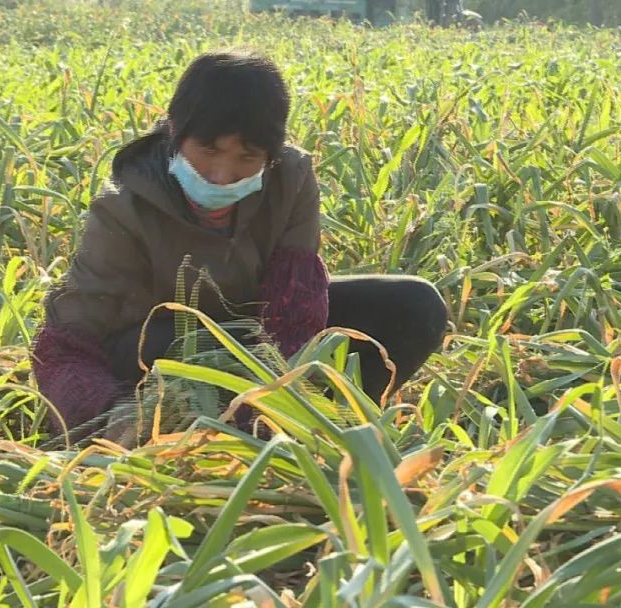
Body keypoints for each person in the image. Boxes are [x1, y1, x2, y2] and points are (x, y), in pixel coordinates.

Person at [30, 50, 448, 438]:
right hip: (157, 355)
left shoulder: (291, 179)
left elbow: (295, 310)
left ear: (271, 154)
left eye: (246, 158)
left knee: (414, 305)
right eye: (208, 151)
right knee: (173, 345)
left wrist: (275, 404)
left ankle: (325, 424)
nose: (221, 175)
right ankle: (177, 430)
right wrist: (110, 415)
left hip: (253, 334)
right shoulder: (124, 205)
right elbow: (67, 341)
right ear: (175, 131)